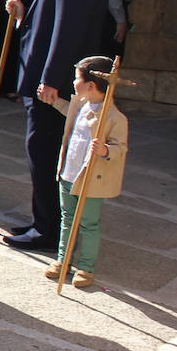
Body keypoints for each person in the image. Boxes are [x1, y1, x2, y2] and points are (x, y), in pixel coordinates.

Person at [4, 0, 111, 251]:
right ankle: (44, 221)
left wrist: (51, 79)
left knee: (45, 153)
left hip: (54, 86)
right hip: (50, 80)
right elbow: (52, 21)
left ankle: (48, 230)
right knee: (43, 152)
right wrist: (24, 14)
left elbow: (69, 31)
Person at [39, 55, 127, 289]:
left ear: (91, 85)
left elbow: (121, 148)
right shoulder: (80, 103)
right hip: (69, 172)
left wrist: (106, 149)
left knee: (88, 223)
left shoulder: (114, 117)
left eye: (77, 78)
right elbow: (70, 114)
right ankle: (62, 260)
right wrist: (53, 101)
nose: (73, 82)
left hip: (90, 180)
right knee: (67, 218)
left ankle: (86, 267)